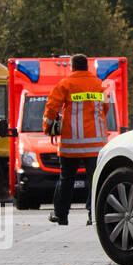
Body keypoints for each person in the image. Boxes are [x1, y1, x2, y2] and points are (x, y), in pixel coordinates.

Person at [43, 54, 109, 226]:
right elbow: (106, 107)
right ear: (87, 67)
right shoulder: (99, 84)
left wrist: (47, 128)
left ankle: (61, 215)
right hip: (95, 144)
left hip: (71, 143)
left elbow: (51, 108)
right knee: (94, 180)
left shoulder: (65, 84)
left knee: (66, 179)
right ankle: (92, 215)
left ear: (72, 67)